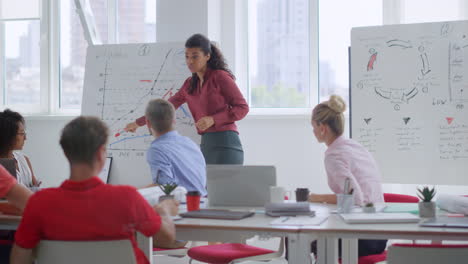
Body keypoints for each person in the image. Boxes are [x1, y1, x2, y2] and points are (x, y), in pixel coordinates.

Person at [10, 116, 178, 264]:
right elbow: (167, 238)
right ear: (101, 153)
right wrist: (164, 210)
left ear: (66, 153)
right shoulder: (127, 198)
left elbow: (19, 259)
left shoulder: (39, 203)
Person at [125, 33, 249, 165]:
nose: (190, 61)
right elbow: (165, 108)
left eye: (195, 56)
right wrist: (138, 123)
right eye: (187, 56)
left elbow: (242, 108)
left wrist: (213, 119)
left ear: (207, 56)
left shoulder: (220, 77)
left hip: (226, 143)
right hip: (207, 143)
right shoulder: (189, 84)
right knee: (207, 185)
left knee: (224, 186)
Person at [308, 95, 386, 257]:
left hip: (363, 237)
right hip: (380, 234)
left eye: (313, 126)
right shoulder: (353, 145)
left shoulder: (334, 155)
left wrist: (315, 197)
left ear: (323, 127)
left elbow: (354, 198)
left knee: (303, 241)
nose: (313, 131)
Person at [145, 99, 207, 195]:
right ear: (174, 120)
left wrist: (131, 193)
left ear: (148, 123)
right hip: (202, 202)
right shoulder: (190, 143)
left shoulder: (156, 149)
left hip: (183, 205)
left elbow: (165, 186)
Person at [0, 109, 40, 188]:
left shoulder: (24, 159)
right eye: (21, 133)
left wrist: (35, 187)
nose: (25, 138)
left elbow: (34, 186)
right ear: (8, 135)